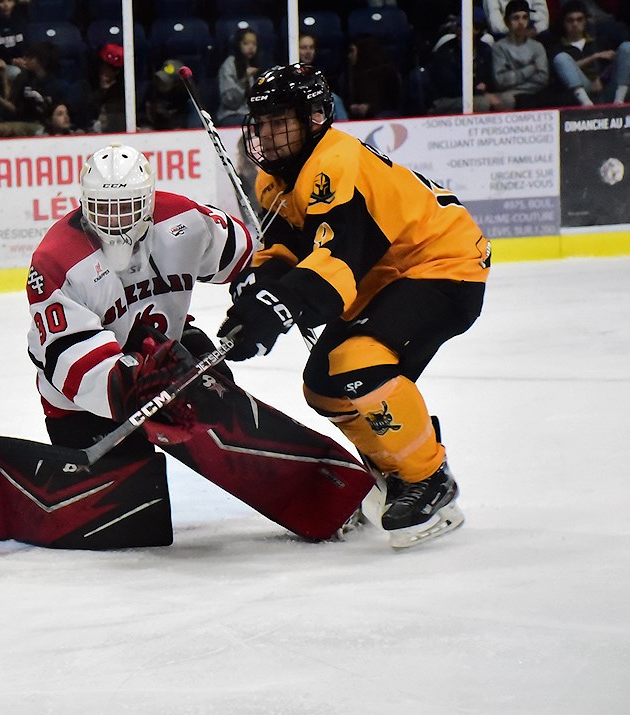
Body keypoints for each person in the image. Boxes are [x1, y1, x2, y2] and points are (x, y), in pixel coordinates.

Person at [219, 63, 490, 548]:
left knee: (356, 362)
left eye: (280, 121)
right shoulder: (275, 180)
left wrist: (279, 307)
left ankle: (428, 478)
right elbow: (285, 250)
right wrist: (257, 290)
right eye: (261, 123)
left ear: (315, 118)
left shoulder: (335, 164)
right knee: (324, 387)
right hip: (387, 278)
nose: (267, 134)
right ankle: (393, 467)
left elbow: (337, 263)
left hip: (441, 267)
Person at [26, 142, 254, 461]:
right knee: (138, 484)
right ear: (84, 203)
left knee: (215, 385)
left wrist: (255, 294)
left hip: (159, 354)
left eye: (127, 206)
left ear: (148, 201)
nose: (115, 220)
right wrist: (137, 388)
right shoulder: (57, 259)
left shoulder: (184, 219)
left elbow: (244, 256)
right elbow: (74, 364)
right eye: (103, 208)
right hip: (82, 405)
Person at [552, 0, 630, 104]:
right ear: (563, 23)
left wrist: (602, 79)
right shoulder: (558, 47)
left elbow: (620, 62)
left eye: (579, 19)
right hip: (582, 91)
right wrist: (594, 57)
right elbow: (562, 70)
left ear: (585, 21)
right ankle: (587, 106)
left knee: (627, 47)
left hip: (608, 88)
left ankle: (619, 102)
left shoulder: (600, 40)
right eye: (570, 20)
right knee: (561, 58)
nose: (575, 24)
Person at [428, 14, 507, 112]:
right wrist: (478, 91)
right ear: (457, 28)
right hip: (447, 99)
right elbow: (449, 88)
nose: (470, 31)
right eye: (464, 26)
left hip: (478, 94)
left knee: (506, 101)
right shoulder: (445, 52)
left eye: (476, 27)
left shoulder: (484, 49)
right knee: (482, 103)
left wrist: (486, 88)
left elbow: (490, 78)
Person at [491, 0, 553, 108]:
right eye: (516, 18)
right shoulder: (499, 47)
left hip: (535, 93)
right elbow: (500, 80)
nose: (521, 22)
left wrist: (516, 81)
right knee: (505, 100)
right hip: (510, 95)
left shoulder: (537, 47)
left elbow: (543, 78)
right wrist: (529, 69)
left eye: (524, 17)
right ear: (506, 21)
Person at [341, 35, 402, 119]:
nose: (349, 56)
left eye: (352, 51)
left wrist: (370, 108)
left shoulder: (387, 73)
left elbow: (393, 103)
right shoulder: (350, 76)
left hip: (385, 118)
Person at [215, 27, 265, 126]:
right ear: (238, 45)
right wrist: (244, 80)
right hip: (231, 115)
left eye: (254, 44)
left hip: (251, 115)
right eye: (246, 43)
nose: (251, 47)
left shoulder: (255, 65)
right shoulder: (229, 64)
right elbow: (230, 101)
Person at [297, 33, 348, 120]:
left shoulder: (321, 71)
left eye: (311, 47)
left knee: (335, 99)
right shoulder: (289, 71)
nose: (308, 51)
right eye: (304, 48)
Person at [484, 0, 550, 35]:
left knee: (546, 37)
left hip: (533, 33)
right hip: (505, 35)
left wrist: (535, 30)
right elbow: (496, 26)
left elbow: (543, 19)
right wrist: (518, 34)